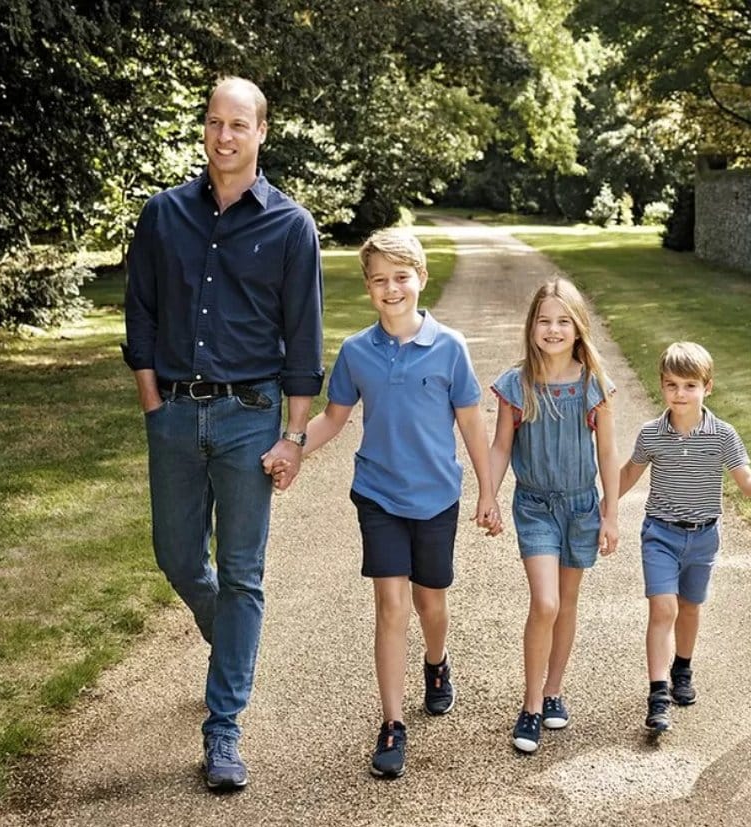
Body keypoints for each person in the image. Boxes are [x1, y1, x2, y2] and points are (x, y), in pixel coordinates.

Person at [122, 77, 324, 790]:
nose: (224, 136)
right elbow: (139, 316)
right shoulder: (163, 215)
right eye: (215, 123)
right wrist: (153, 404)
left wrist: (294, 436)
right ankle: (229, 642)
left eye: (239, 124)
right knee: (177, 557)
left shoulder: (292, 227)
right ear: (204, 129)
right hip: (174, 414)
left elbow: (304, 341)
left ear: (262, 133)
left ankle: (224, 730)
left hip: (249, 419)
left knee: (242, 573)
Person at [267, 228, 500, 779]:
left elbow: (471, 422)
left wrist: (488, 491)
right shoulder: (356, 352)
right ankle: (393, 722)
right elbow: (334, 419)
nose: (391, 289)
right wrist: (292, 447)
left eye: (401, 277)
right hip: (378, 495)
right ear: (368, 288)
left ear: (421, 278)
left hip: (437, 495)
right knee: (391, 607)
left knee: (431, 604)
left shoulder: (450, 347)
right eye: (379, 281)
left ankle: (437, 664)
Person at [619, 342, 751, 733]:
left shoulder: (723, 435)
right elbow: (629, 473)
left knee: (690, 608)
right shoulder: (651, 435)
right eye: (672, 385)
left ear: (707, 388)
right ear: (661, 387)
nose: (680, 394)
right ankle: (658, 694)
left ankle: (682, 668)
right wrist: (603, 507)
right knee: (663, 609)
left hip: (703, 539)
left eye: (690, 385)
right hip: (660, 534)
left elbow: (747, 483)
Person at [489, 278, 620, 755]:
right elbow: (502, 445)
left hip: (582, 507)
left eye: (563, 321)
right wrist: (489, 494)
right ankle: (529, 706)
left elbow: (607, 452)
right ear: (531, 327)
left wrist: (611, 513)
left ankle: (553, 690)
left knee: (566, 603)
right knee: (544, 603)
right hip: (536, 506)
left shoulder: (593, 385)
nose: (553, 329)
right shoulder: (516, 385)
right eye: (544, 320)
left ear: (578, 328)